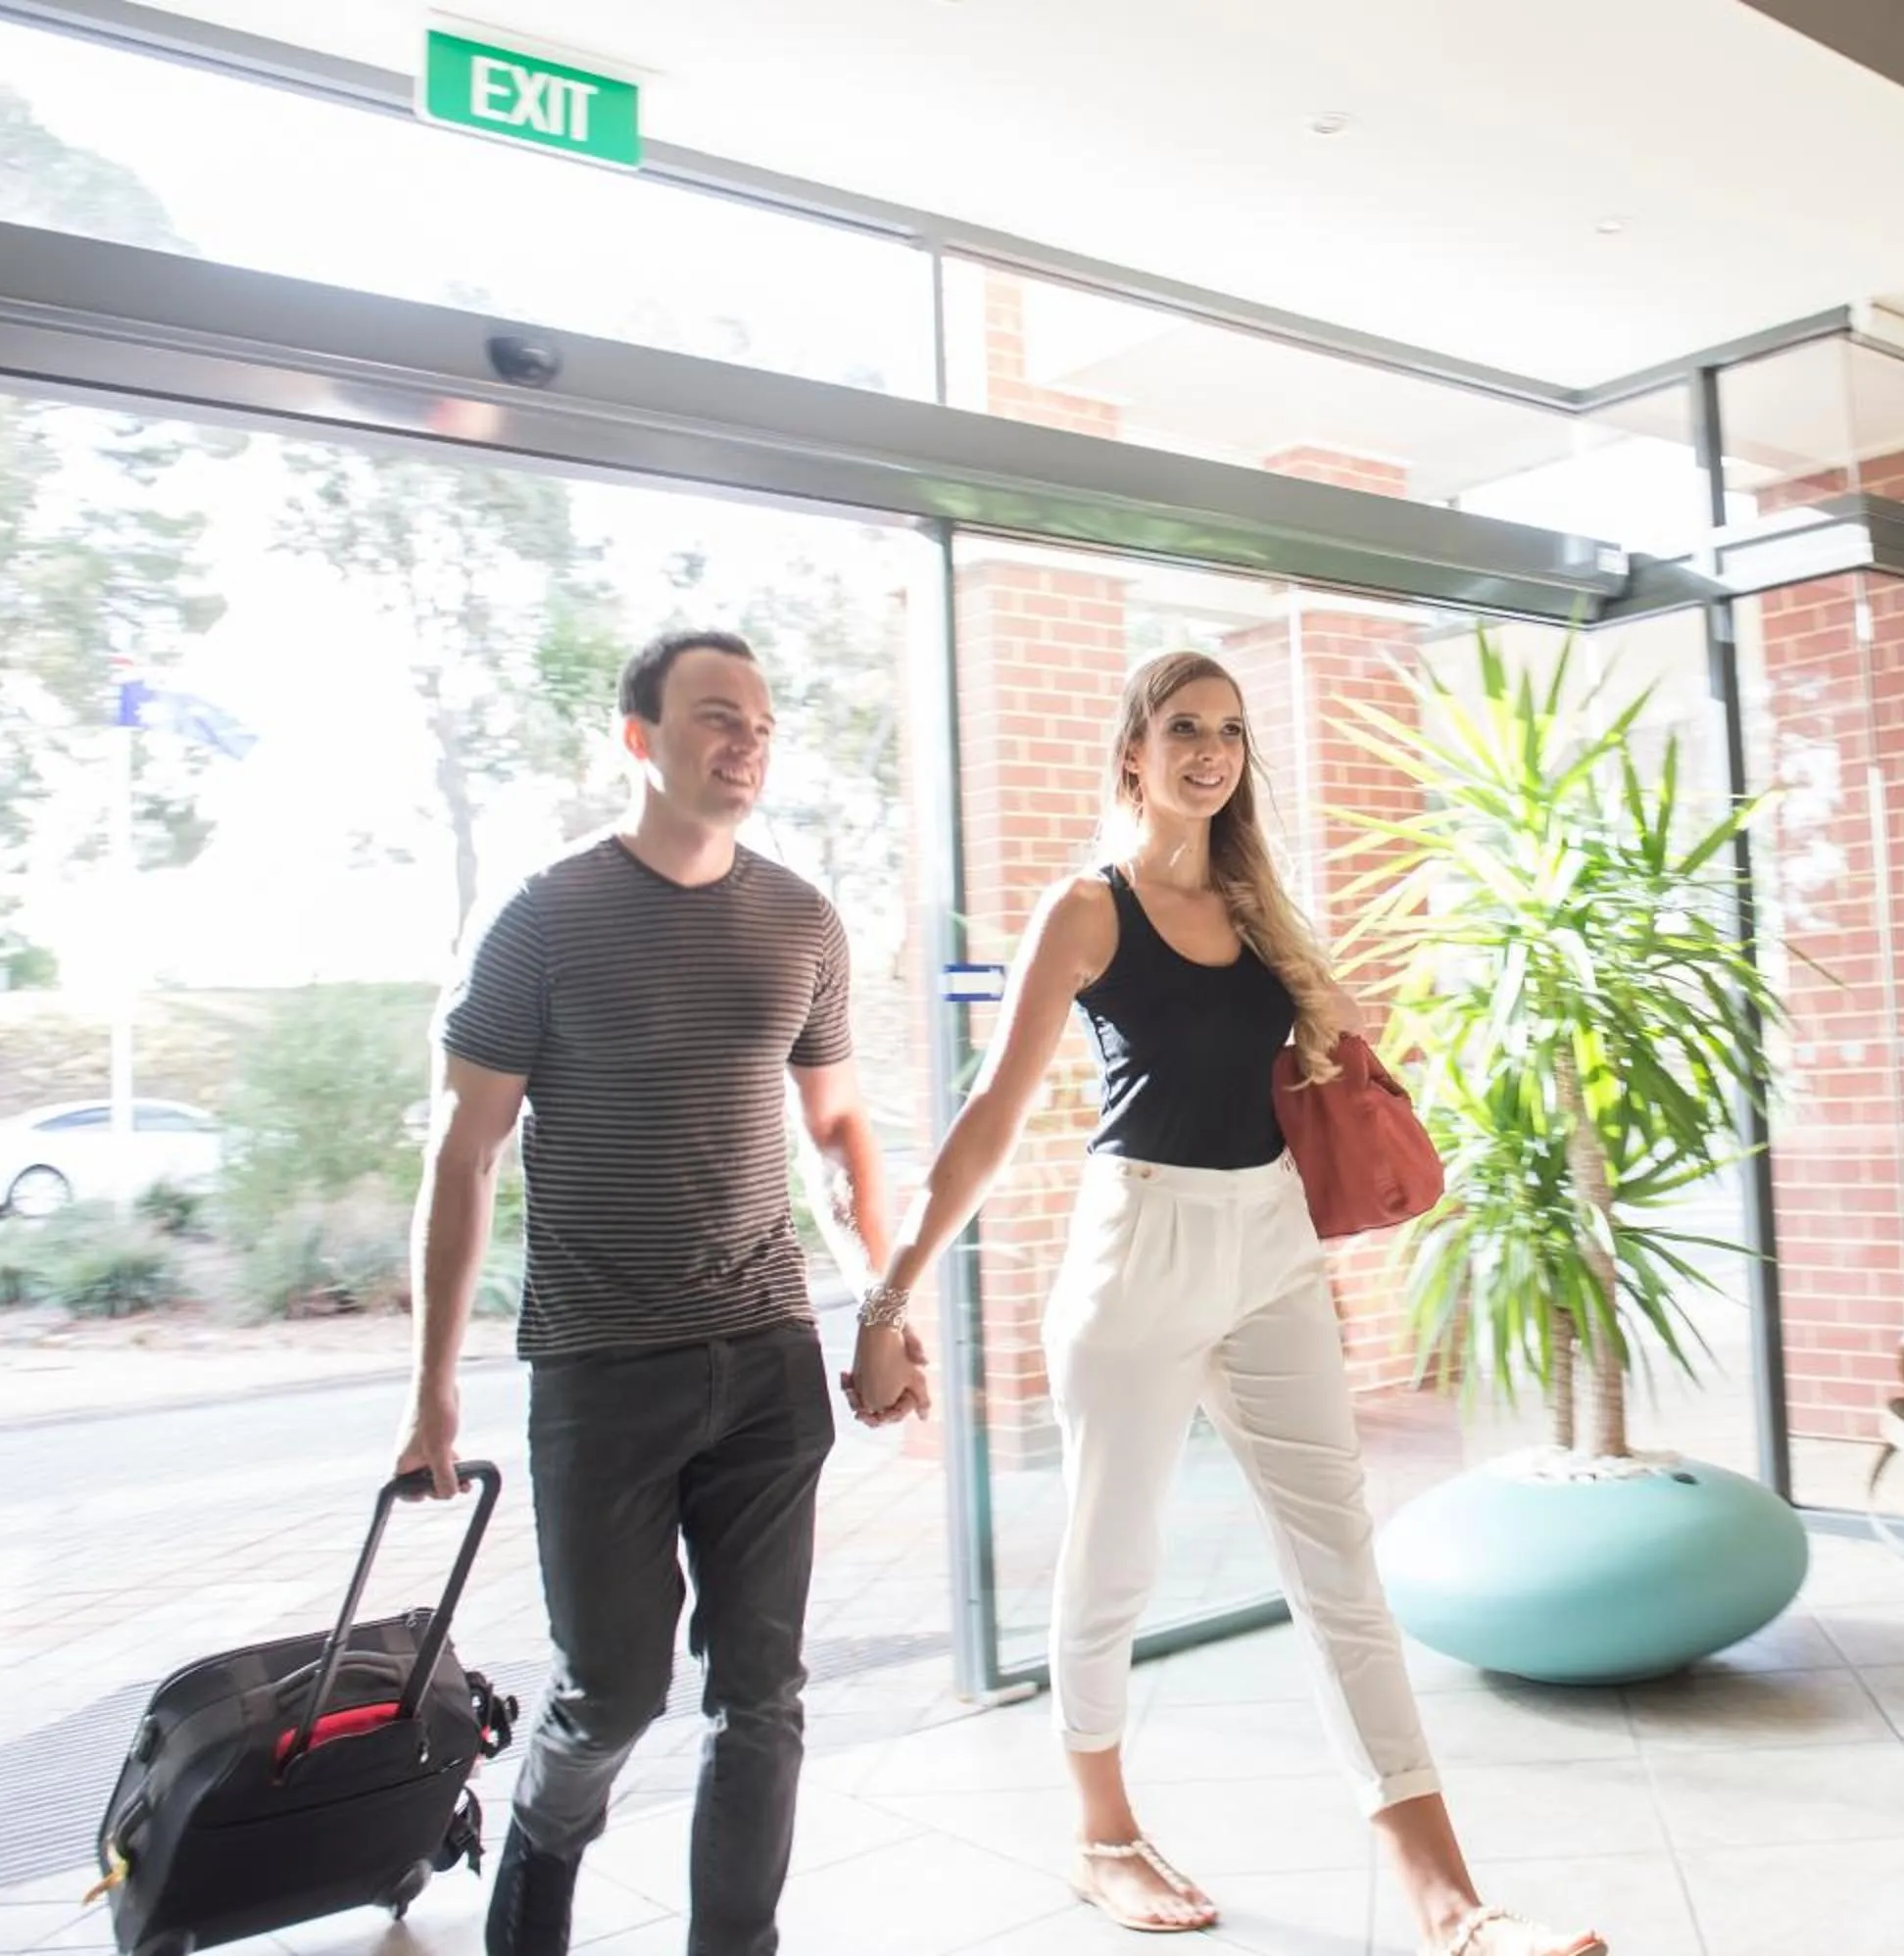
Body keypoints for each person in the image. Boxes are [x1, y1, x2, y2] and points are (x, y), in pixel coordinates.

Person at [848, 652, 1604, 1956]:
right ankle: (1104, 1838)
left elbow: (1338, 1053)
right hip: (1138, 1245)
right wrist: (886, 1297)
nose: (1211, 752)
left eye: (1232, 732)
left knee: (1340, 1568)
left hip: (1268, 1247)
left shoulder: (1260, 907)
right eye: (1184, 728)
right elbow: (991, 1112)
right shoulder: (1091, 910)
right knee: (1113, 1565)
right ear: (1132, 747)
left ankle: (1450, 1903)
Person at [394, 628, 929, 1956]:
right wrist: (432, 1394)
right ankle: (531, 1901)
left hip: (764, 1362)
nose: (744, 741)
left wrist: (883, 1304)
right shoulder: (542, 918)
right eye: (713, 717)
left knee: (765, 1696)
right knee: (611, 1697)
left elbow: (840, 1128)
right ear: (636, 738)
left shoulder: (802, 917)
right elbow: (463, 1157)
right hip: (599, 1373)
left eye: (759, 721)